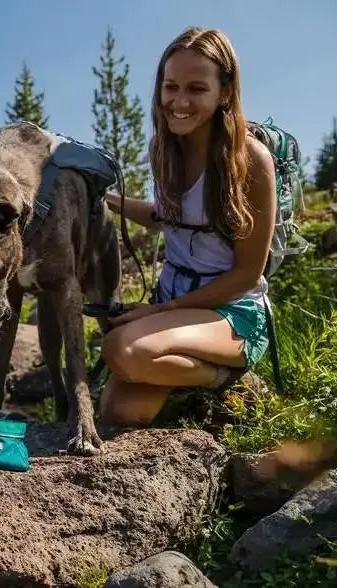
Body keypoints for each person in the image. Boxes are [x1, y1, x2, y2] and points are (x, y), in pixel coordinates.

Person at [99, 26, 277, 426]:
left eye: (197, 89)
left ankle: (227, 379)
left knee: (123, 351)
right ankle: (196, 374)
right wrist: (103, 198)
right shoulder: (163, 149)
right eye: (170, 86)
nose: (179, 101)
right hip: (177, 301)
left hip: (231, 311)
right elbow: (166, 217)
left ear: (225, 92)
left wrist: (162, 310)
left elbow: (248, 273)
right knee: (118, 414)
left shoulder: (250, 161)